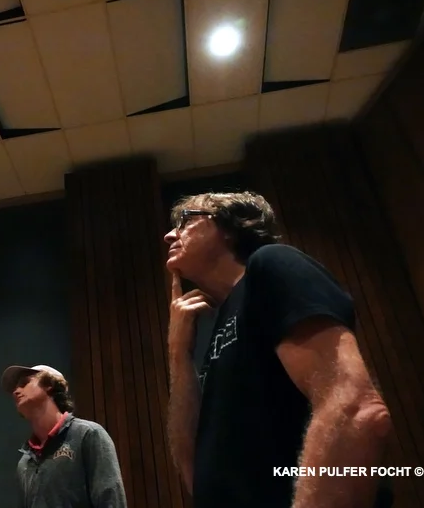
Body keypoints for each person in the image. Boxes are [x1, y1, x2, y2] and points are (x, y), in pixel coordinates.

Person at [163, 191, 394, 508]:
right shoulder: (214, 323)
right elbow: (195, 475)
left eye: (185, 220)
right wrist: (177, 352)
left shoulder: (271, 263)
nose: (169, 235)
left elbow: (356, 409)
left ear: (230, 227)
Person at [1, 364, 127, 507]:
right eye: (14, 388)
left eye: (24, 383)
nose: (16, 391)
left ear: (49, 384)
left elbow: (111, 501)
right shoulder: (25, 463)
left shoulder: (87, 435)